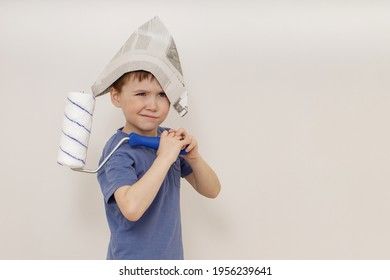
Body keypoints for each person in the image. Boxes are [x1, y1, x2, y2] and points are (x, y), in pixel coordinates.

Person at [97, 70, 221, 260]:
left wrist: (194, 158)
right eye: (141, 94)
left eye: (162, 94)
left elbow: (212, 190)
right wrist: (165, 158)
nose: (153, 105)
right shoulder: (118, 151)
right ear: (116, 96)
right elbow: (131, 209)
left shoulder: (168, 139)